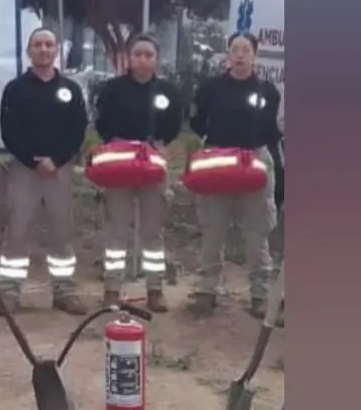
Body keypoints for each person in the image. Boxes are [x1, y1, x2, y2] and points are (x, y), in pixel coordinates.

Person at [188, 32, 282, 318]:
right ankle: (207, 290)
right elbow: (197, 119)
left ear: (255, 55)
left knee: (257, 232)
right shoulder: (211, 88)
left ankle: (260, 294)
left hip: (255, 159)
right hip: (218, 161)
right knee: (214, 228)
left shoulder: (268, 90)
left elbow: (273, 128)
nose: (240, 54)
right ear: (227, 54)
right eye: (235, 49)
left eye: (246, 50)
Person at [0, 28, 89, 316]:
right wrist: (32, 160)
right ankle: (10, 292)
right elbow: (9, 130)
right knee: (18, 230)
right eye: (38, 45)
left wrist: (58, 160)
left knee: (61, 230)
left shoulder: (70, 89)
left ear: (57, 50)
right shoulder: (15, 89)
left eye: (49, 44)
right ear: (29, 51)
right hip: (26, 169)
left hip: (59, 171)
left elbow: (78, 129)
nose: (44, 49)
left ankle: (64, 290)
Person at [93, 35, 183, 312]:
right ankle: (111, 288)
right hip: (119, 166)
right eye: (138, 54)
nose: (143, 59)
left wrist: (160, 142)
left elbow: (175, 123)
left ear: (157, 59)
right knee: (116, 230)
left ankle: (154, 289)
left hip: (153, 167)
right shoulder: (112, 89)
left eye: (149, 54)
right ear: (129, 59)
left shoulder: (167, 91)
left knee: (153, 232)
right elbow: (101, 122)